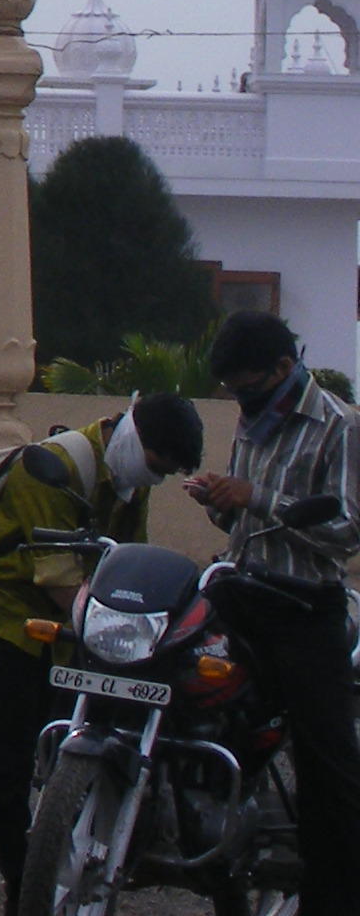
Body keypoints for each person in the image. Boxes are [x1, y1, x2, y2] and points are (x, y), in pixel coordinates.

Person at [0, 391, 206, 916]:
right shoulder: (50, 464)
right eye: (156, 465)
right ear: (136, 436)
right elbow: (55, 575)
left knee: (67, 757)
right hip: (8, 623)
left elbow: (129, 564)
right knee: (7, 768)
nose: (154, 479)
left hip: (72, 631)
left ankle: (55, 874)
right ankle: (21, 892)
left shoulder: (126, 482)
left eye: (164, 474)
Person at [184, 311, 360, 916]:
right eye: (233, 389)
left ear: (285, 369)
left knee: (329, 764)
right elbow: (242, 520)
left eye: (248, 383)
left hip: (304, 607)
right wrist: (221, 501)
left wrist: (260, 498)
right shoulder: (252, 418)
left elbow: (348, 528)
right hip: (240, 590)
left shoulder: (339, 426)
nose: (241, 397)